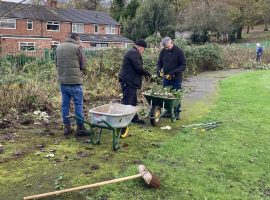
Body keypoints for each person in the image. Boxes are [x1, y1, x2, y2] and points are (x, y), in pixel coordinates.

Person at [56, 33, 90, 136]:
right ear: (77, 39)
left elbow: (56, 63)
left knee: (65, 105)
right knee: (78, 104)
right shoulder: (77, 47)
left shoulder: (59, 47)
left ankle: (67, 127)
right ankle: (80, 128)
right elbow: (83, 65)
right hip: (75, 82)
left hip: (63, 82)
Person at [119, 39, 151, 124]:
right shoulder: (133, 53)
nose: (143, 51)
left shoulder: (133, 52)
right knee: (127, 101)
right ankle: (121, 121)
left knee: (132, 100)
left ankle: (134, 118)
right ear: (141, 48)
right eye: (144, 49)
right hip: (128, 81)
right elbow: (138, 68)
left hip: (131, 81)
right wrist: (147, 74)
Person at [157, 36, 186, 120]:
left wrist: (174, 72)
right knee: (166, 95)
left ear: (171, 43)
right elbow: (159, 63)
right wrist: (158, 70)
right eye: (165, 47)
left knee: (176, 95)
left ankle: (176, 113)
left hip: (176, 78)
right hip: (166, 77)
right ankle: (168, 111)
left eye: (168, 47)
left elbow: (183, 65)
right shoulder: (163, 51)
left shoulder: (179, 51)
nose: (167, 48)